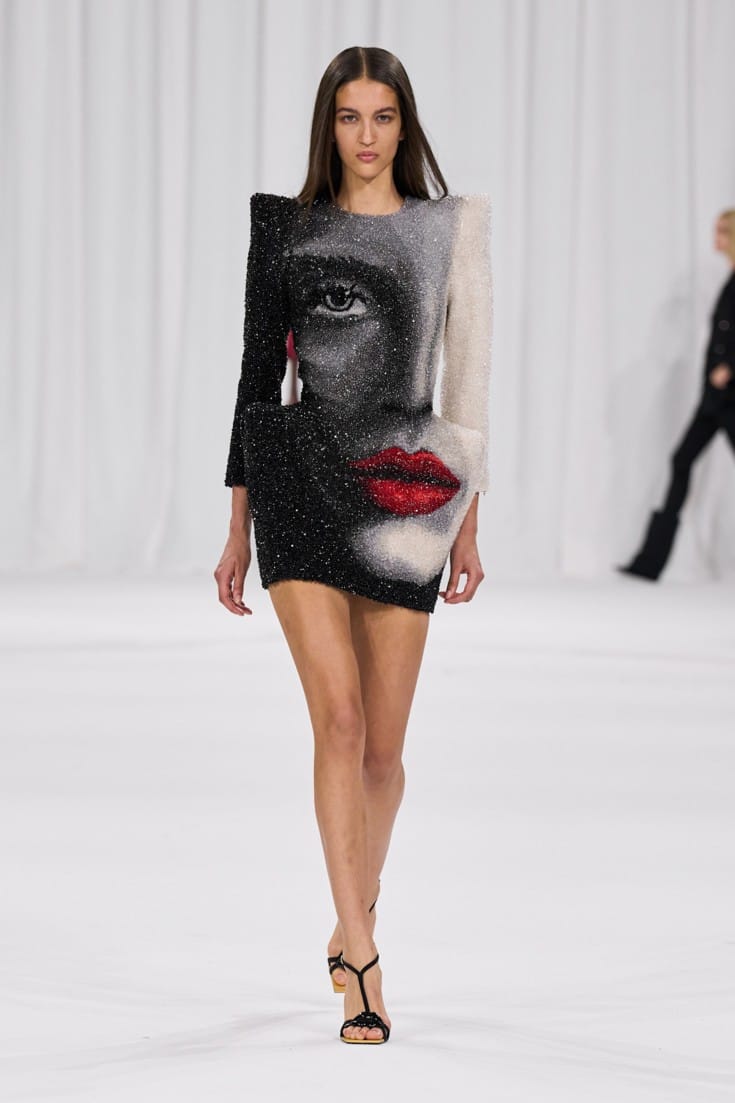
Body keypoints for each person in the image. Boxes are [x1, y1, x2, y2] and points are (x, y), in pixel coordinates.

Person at [214, 45, 492, 1044]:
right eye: (348, 116)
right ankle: (365, 961)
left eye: (382, 116)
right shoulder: (284, 228)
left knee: (383, 749)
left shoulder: (448, 228)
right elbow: (256, 378)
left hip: (408, 494)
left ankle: (350, 909)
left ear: (403, 125)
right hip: (296, 480)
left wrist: (470, 517)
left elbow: (466, 384)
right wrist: (237, 524)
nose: (366, 135)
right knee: (336, 720)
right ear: (326, 126)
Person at [619, 209, 735, 580]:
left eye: (722, 231)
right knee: (681, 461)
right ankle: (649, 562)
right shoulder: (730, 280)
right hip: (713, 401)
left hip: (729, 398)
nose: (715, 237)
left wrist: (729, 366)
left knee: (681, 462)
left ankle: (649, 563)